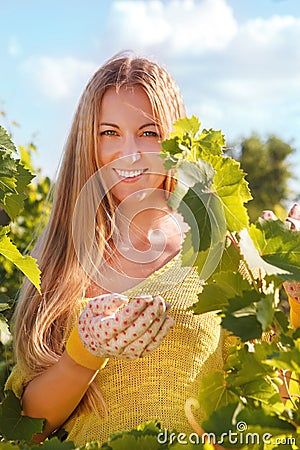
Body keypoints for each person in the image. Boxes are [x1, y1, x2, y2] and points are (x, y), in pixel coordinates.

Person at [5, 52, 237, 446]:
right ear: (88, 144)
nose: (128, 150)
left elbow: (266, 393)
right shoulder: (60, 261)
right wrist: (85, 351)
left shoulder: (219, 254)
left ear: (176, 141)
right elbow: (29, 425)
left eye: (148, 132)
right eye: (109, 132)